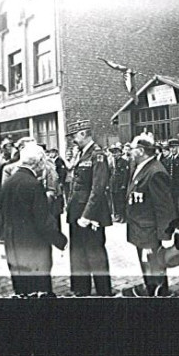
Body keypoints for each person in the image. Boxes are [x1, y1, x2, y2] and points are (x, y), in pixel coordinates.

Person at [0, 143, 67, 296]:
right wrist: (60, 240)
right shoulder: (33, 185)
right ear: (37, 163)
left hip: (13, 245)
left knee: (21, 287)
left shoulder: (8, 182)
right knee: (39, 288)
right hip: (34, 246)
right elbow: (42, 221)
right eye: (43, 162)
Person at [122, 134, 179, 297]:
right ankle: (151, 289)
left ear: (141, 151)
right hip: (141, 228)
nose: (130, 152)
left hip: (149, 231)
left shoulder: (155, 172)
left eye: (132, 149)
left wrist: (163, 235)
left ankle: (158, 293)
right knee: (147, 264)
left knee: (153, 264)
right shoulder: (141, 167)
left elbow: (164, 207)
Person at [65, 120, 112, 296]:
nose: (73, 141)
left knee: (94, 252)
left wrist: (87, 215)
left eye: (75, 136)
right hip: (77, 211)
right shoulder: (82, 154)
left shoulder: (97, 155)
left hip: (90, 214)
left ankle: (103, 292)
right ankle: (81, 289)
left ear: (84, 134)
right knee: (78, 252)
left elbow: (97, 189)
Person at [108, 144, 129, 224]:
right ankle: (117, 215)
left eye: (116, 153)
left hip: (120, 185)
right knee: (115, 201)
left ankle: (123, 217)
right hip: (113, 185)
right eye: (113, 153)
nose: (114, 155)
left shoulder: (124, 162)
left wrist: (124, 184)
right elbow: (110, 173)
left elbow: (125, 174)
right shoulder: (113, 162)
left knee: (121, 201)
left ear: (120, 153)